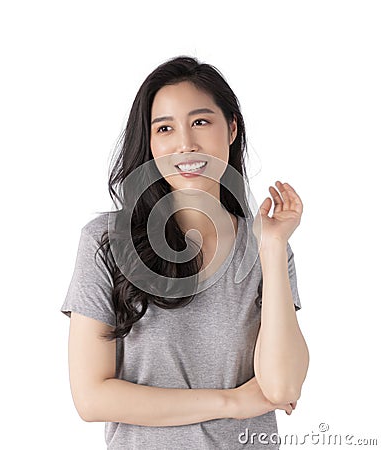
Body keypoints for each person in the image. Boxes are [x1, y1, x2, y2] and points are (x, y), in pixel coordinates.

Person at [60, 55, 309, 450]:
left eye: (200, 121)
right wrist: (230, 401)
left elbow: (282, 386)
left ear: (231, 128)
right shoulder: (106, 242)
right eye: (165, 128)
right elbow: (92, 398)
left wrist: (274, 246)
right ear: (151, 142)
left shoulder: (267, 249)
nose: (186, 143)